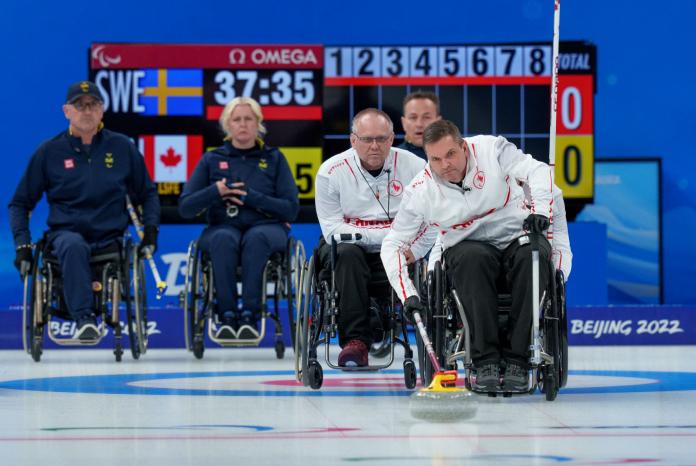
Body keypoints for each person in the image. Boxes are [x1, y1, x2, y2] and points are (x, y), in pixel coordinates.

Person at [381, 119, 555, 391]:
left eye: (450, 154)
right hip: (468, 246)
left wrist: (541, 211)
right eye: (435, 159)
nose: (445, 165)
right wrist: (408, 295)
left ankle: (518, 359)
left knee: (534, 252)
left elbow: (538, 170)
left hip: (515, 234)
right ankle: (484, 360)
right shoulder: (419, 191)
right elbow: (392, 244)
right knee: (473, 258)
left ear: (464, 146)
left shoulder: (492, 149)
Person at [8, 80, 160, 341]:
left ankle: (87, 315)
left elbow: (147, 194)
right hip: (66, 234)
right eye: (80, 105)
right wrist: (23, 246)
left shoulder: (123, 147)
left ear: (102, 110)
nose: (87, 111)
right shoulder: (49, 151)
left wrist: (151, 234)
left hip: (110, 237)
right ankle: (84, 319)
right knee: (73, 244)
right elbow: (20, 203)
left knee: (86, 246)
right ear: (67, 111)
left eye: (93, 105)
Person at [315, 108, 434, 367]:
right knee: (347, 251)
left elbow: (430, 217)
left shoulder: (415, 167)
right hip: (345, 250)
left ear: (392, 139)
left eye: (381, 139)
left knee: (373, 249)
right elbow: (333, 229)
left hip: (398, 250)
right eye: (367, 139)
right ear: (353, 140)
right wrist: (388, 236)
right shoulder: (330, 171)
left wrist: (408, 246)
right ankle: (355, 342)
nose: (375, 146)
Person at [179, 97, 299, 340]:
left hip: (266, 227)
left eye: (248, 119)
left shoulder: (274, 158)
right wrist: (215, 191)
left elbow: (290, 209)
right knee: (223, 239)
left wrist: (251, 197)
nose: (243, 124)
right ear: (227, 125)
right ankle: (227, 316)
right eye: (237, 119)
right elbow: (186, 207)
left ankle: (250, 317)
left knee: (257, 239)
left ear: (258, 124)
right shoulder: (211, 159)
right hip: (223, 226)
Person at [398, 91, 441, 160]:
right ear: (404, 123)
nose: (419, 124)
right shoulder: (392, 159)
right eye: (413, 117)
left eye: (426, 117)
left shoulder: (453, 156)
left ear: (438, 122)